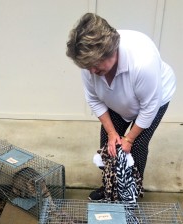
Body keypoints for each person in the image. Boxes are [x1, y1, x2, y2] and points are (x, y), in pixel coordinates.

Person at [66, 13, 176, 200]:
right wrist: (111, 133)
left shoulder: (143, 62)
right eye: (87, 67)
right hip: (116, 99)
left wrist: (129, 139)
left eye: (95, 65)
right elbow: (94, 99)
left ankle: (130, 192)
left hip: (153, 100)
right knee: (108, 144)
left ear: (110, 51)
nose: (92, 71)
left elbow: (149, 108)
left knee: (137, 146)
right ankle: (110, 187)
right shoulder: (89, 65)